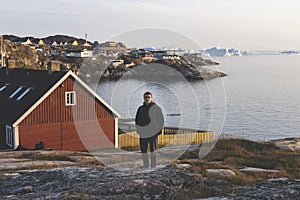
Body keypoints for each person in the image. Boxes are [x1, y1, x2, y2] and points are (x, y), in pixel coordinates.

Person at [135, 92, 164, 169]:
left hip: (153, 133)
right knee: (143, 150)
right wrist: (138, 130)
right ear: (143, 98)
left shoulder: (156, 108)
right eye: (145, 97)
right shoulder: (140, 109)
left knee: (153, 150)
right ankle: (145, 165)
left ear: (151, 98)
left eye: (148, 97)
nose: (147, 99)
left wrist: (158, 131)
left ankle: (153, 165)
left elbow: (161, 120)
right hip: (143, 133)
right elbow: (137, 120)